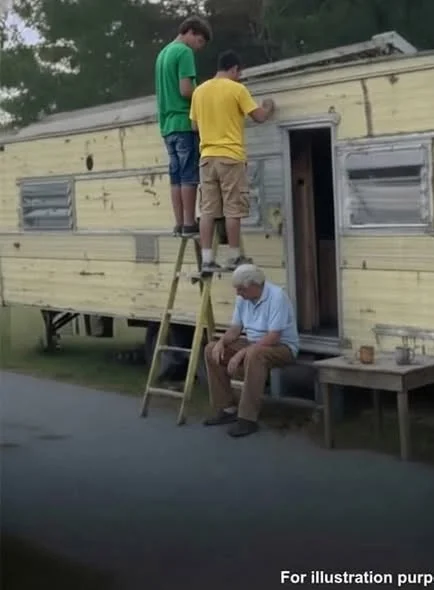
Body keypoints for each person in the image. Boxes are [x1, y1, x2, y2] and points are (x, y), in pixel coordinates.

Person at [189, 50, 276, 273]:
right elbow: (259, 117)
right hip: (230, 156)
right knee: (232, 209)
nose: (239, 77)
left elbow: (194, 126)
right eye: (239, 73)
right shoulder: (237, 89)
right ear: (234, 69)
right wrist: (268, 106)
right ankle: (235, 256)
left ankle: (207, 260)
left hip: (206, 158)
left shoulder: (199, 91)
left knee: (208, 211)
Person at [203, 264, 299, 438]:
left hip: (282, 347)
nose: (238, 293)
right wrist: (221, 342)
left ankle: (247, 419)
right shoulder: (244, 298)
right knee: (211, 349)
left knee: (254, 354)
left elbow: (274, 336)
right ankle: (227, 408)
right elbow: (235, 328)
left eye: (241, 289)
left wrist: (242, 353)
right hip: (253, 343)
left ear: (255, 285)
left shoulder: (277, 296)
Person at [155, 16, 212, 238]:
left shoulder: (163, 54)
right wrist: (205, 93)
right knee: (189, 174)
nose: (199, 48)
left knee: (176, 176)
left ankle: (179, 223)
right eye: (199, 41)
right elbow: (186, 90)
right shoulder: (184, 52)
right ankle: (189, 223)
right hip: (183, 122)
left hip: (167, 125)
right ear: (190, 32)